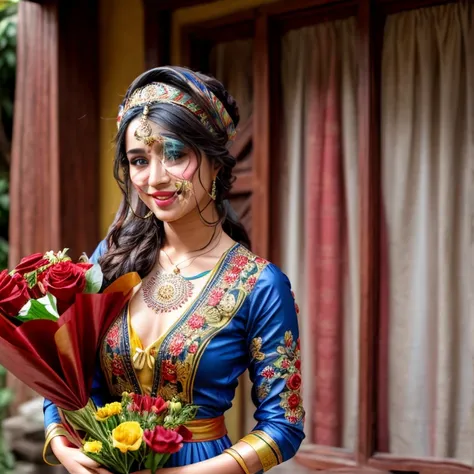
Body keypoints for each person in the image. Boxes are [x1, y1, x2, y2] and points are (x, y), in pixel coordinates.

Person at [43, 66, 304, 474]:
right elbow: (64, 374)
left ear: (215, 163)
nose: (155, 178)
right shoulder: (110, 260)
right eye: (138, 160)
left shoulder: (259, 285)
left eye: (175, 153)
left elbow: (283, 425)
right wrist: (64, 448)